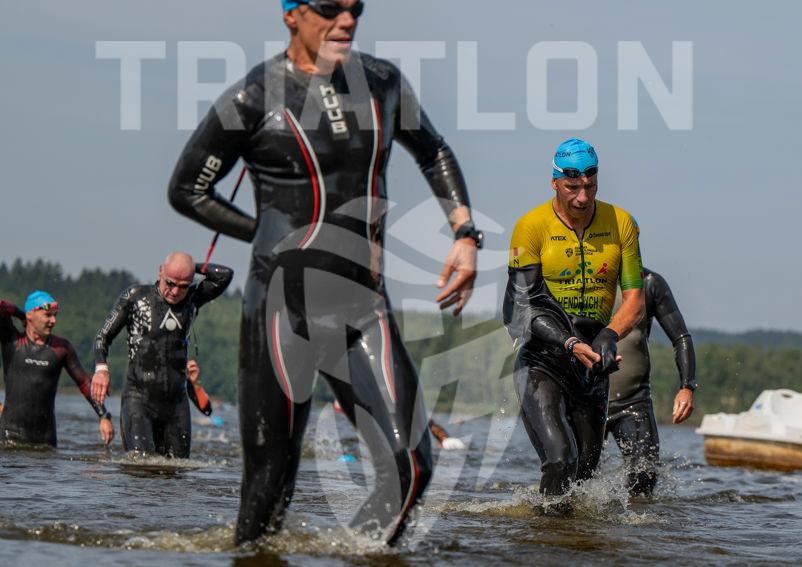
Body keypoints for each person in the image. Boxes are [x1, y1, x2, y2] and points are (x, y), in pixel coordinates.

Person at [168, 0, 480, 545]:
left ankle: (355, 553)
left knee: (411, 467)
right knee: (267, 493)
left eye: (356, 7)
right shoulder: (253, 97)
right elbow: (187, 189)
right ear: (292, 14)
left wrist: (465, 234)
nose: (347, 20)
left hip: (363, 307)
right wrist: (265, 233)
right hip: (280, 311)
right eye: (331, 7)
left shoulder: (382, 83)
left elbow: (433, 152)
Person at [503, 138, 645, 502]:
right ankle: (544, 533)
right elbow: (520, 309)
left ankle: (566, 532)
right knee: (560, 461)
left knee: (584, 479)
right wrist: (569, 342)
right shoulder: (531, 227)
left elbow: (635, 301)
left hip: (592, 367)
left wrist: (610, 334)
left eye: (590, 186)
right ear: (554, 182)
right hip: (543, 362)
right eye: (572, 187)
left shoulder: (622, 223)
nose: (582, 198)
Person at [91, 252, 233, 458]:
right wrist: (101, 369)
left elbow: (225, 275)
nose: (175, 291)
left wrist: (191, 267)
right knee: (141, 465)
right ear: (161, 272)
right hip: (138, 399)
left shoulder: (193, 298)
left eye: (183, 286)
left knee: (178, 470)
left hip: (176, 404)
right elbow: (102, 337)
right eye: (170, 283)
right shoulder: (135, 297)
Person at [606, 267, 697, 496]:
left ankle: (639, 519)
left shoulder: (649, 283)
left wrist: (687, 387)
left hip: (633, 401)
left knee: (644, 476)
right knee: (576, 476)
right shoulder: (582, 278)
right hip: (587, 399)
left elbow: (681, 337)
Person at [0, 292, 113, 447]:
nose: (53, 321)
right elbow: (2, 307)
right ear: (30, 315)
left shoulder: (61, 349)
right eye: (48, 315)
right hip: (8, 437)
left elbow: (84, 383)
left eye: (55, 315)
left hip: (45, 442)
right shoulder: (13, 341)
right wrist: (21, 315)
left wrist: (104, 416)